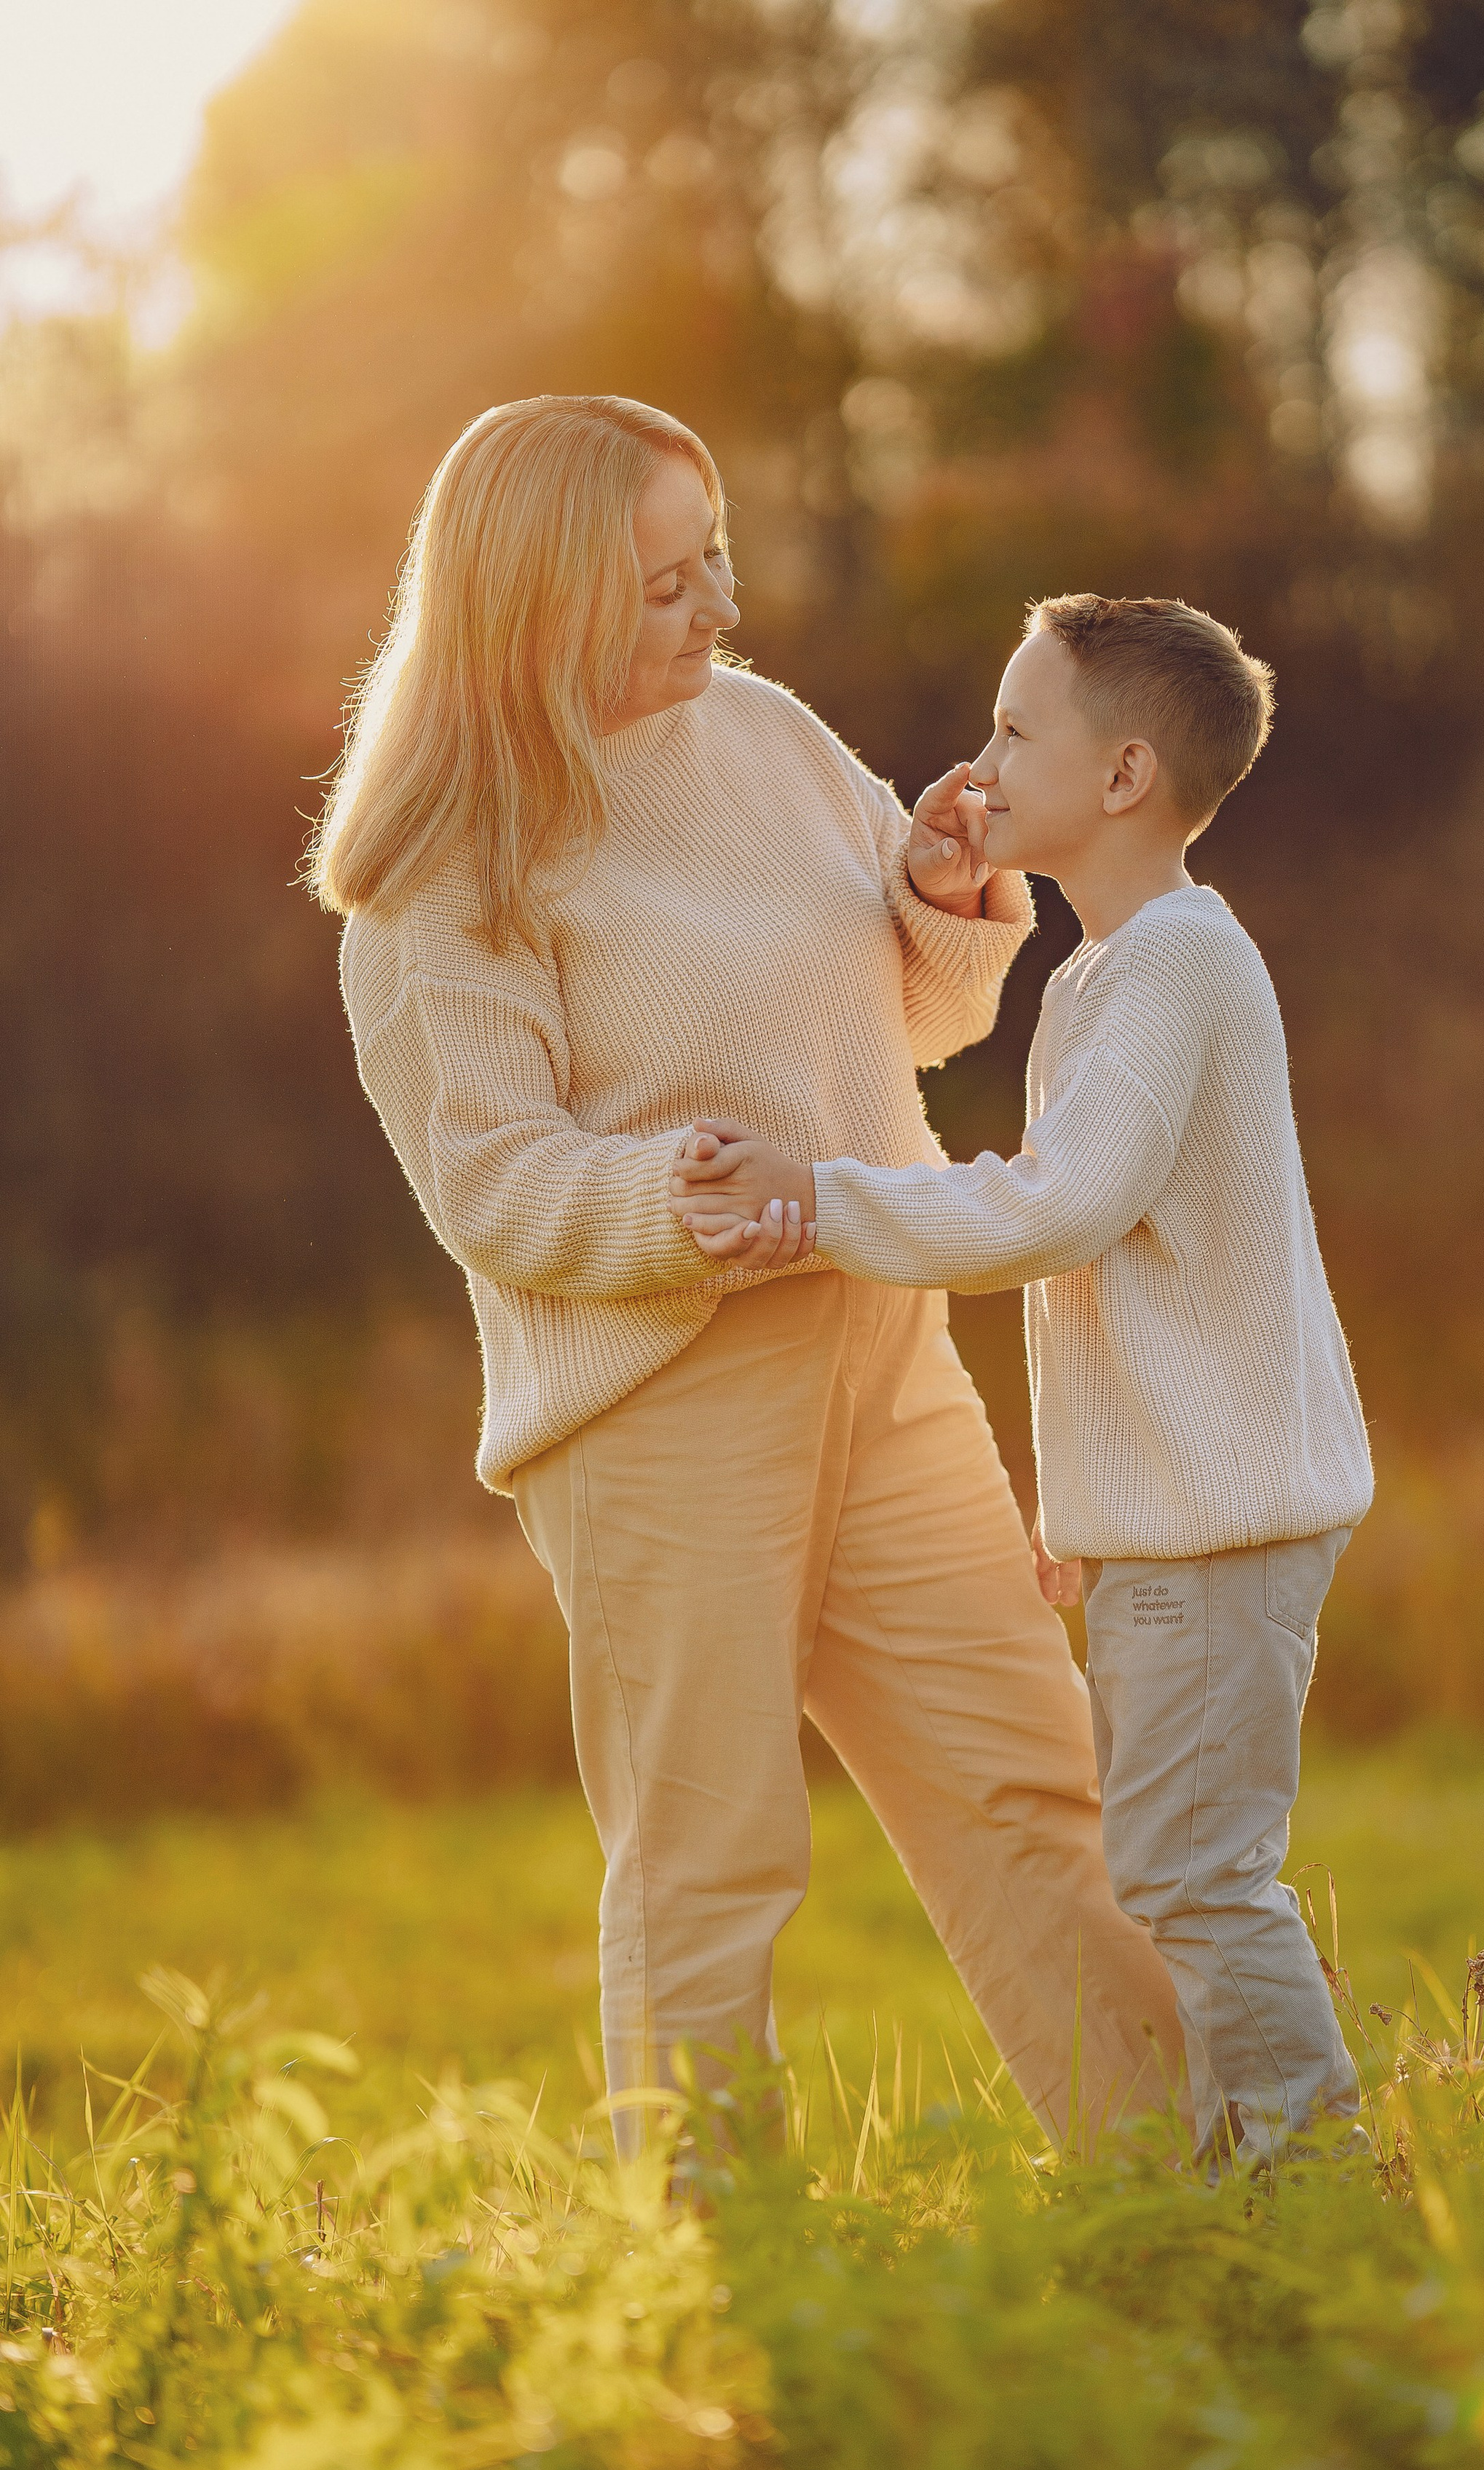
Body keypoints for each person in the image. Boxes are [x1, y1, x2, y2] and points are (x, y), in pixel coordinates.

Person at [308, 398, 1183, 2153]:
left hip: (883, 1342)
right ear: (537, 601)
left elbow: (913, 1019)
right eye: (661, 581)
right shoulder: (438, 875)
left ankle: (1205, 2201)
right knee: (710, 1863)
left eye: (714, 552)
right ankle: (725, 2298)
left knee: (1033, 1785)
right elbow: (488, 1178)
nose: (716, 603)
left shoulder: (765, 736)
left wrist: (940, 889)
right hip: (661, 1403)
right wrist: (672, 1201)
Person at [672, 593, 1376, 2162]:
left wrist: (820, 1195)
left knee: (1196, 1880)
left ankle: (1310, 2186)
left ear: (1121, 777)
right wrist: (1084, 1501)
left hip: (1219, 1525)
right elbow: (1098, 1275)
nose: (978, 754)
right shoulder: (1096, 976)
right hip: (1165, 1521)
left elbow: (1056, 1208)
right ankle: (1255, 2168)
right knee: (1172, 1867)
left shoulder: (1175, 966)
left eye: (1011, 729)